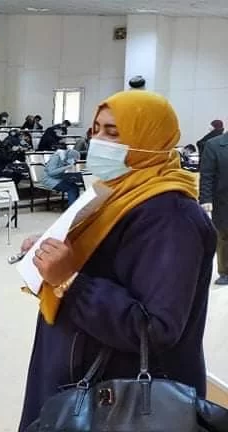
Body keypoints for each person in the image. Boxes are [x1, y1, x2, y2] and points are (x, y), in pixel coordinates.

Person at [17, 90, 213, 431]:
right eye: (95, 130)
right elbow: (97, 260)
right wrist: (53, 253)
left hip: (117, 398)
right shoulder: (116, 195)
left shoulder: (171, 217)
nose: (98, 141)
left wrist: (70, 280)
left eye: (113, 132)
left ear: (150, 139)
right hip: (80, 373)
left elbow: (156, 328)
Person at [200, 131, 228, 285]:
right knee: (223, 236)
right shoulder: (214, 145)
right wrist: (206, 198)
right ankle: (225, 272)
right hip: (223, 200)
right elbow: (207, 174)